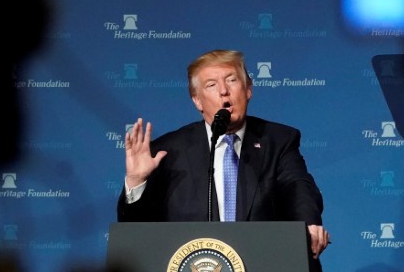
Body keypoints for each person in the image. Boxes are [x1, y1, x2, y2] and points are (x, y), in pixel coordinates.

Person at [117, 48, 330, 259]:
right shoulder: (168, 151)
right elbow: (138, 233)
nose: (224, 91)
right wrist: (136, 182)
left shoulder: (278, 140)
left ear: (248, 89)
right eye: (211, 85)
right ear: (197, 100)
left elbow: (298, 186)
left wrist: (308, 223)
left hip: (265, 267)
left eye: (232, 80)